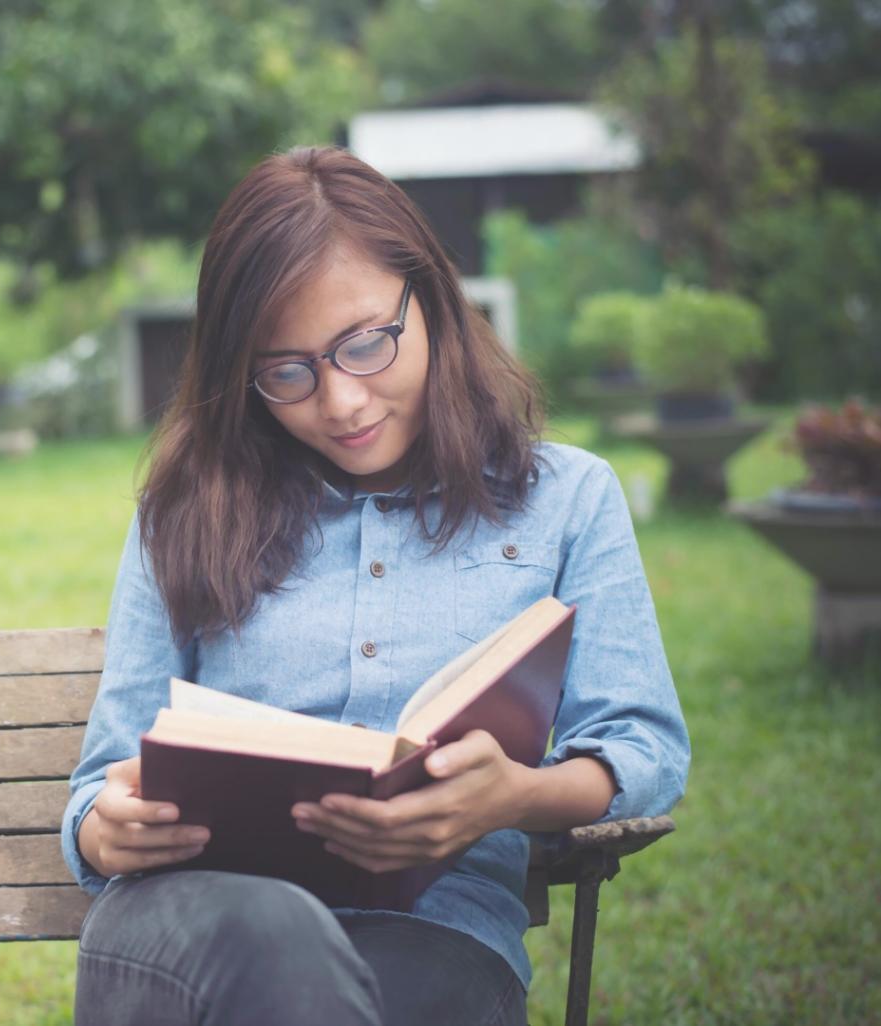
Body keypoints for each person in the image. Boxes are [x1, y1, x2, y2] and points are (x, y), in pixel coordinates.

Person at [60, 146, 690, 1025]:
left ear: (428, 299)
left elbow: (641, 749)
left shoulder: (565, 498)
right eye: (287, 371)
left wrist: (512, 796)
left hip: (437, 932)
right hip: (193, 923)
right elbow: (100, 786)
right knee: (272, 941)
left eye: (365, 345)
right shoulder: (184, 511)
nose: (342, 402)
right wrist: (106, 826)